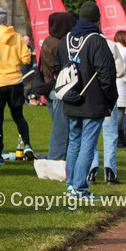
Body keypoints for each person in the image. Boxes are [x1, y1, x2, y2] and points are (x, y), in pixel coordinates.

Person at [57, 1, 117, 200]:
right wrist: (111, 100)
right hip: (92, 102)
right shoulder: (97, 41)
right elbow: (107, 76)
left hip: (71, 99)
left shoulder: (65, 39)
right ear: (98, 20)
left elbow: (59, 69)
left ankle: (71, 185)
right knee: (87, 145)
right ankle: (80, 188)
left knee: (74, 143)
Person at [0, 8, 34, 164]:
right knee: (19, 116)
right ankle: (27, 145)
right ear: (5, 21)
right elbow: (26, 59)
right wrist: (13, 62)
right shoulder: (17, 37)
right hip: (15, 82)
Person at [89, 30, 126, 185]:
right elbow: (121, 70)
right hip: (107, 93)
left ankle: (91, 171)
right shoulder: (111, 46)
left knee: (91, 133)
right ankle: (110, 172)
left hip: (91, 95)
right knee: (110, 134)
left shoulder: (84, 44)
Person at [37, 12, 77, 161]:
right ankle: (57, 159)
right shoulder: (59, 44)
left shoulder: (48, 40)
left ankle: (62, 158)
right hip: (59, 90)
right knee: (61, 130)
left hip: (50, 89)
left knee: (58, 127)